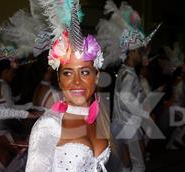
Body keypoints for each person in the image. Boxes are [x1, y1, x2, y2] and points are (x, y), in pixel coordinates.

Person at [25, 1, 111, 171]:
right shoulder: (49, 125)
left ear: (97, 76)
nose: (76, 82)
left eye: (85, 72)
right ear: (59, 79)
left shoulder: (99, 116)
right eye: (68, 73)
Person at [96, 1, 160, 171]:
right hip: (129, 126)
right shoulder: (128, 74)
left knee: (126, 166)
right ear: (131, 52)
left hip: (120, 125)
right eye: (139, 51)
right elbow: (125, 98)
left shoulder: (125, 71)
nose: (141, 55)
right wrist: (145, 113)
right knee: (138, 166)